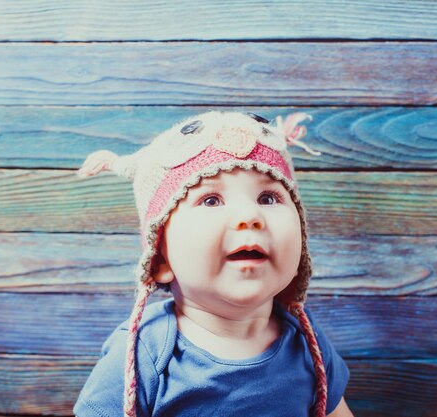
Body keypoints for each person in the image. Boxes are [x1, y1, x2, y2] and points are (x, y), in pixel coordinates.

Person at [73, 111, 353, 417]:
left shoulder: (307, 341)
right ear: (160, 259)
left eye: (268, 198)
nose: (250, 216)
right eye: (211, 200)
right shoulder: (144, 354)